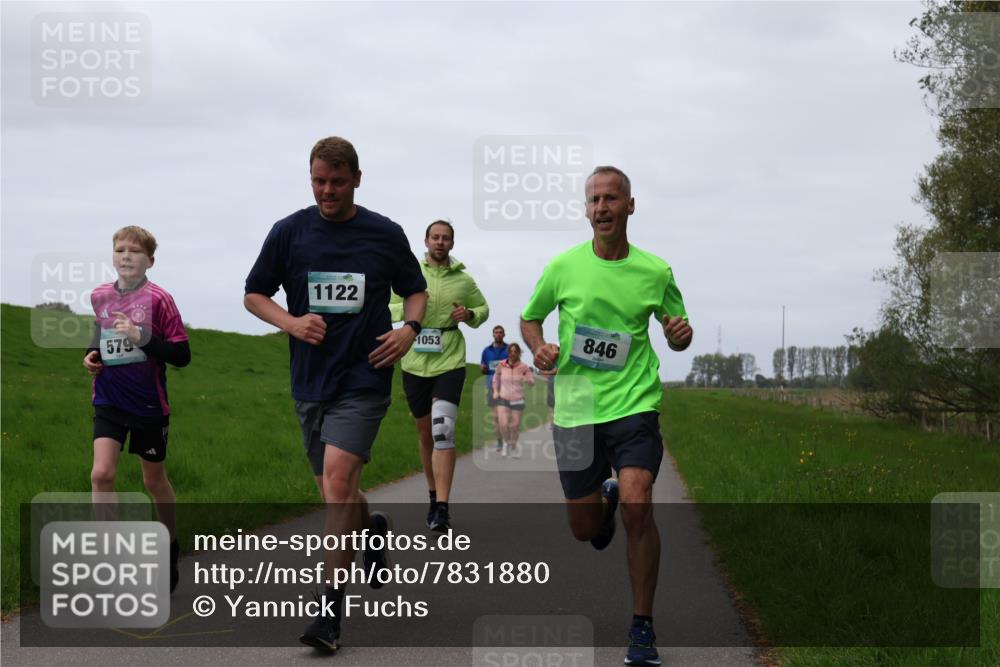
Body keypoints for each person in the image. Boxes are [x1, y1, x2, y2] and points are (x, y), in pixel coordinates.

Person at [244, 136, 428, 653]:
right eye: (319, 181)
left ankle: (328, 612)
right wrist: (291, 322)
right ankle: (371, 527)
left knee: (340, 481)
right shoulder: (290, 232)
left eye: (338, 182)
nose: (327, 191)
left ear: (357, 180)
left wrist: (409, 329)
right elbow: (254, 293)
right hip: (310, 381)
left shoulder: (384, 233)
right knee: (335, 494)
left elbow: (416, 289)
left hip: (365, 376)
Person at [520, 166, 693, 667]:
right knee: (584, 529)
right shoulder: (563, 267)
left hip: (635, 403)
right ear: (586, 209)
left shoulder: (656, 271)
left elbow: (678, 332)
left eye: (611, 198)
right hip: (577, 408)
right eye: (594, 199)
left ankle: (642, 626)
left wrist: (680, 336)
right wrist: (539, 347)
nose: (602, 207)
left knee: (640, 504)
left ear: (629, 206)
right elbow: (530, 317)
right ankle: (604, 503)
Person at [82, 225, 191, 593]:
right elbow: (99, 335)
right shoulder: (100, 296)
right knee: (101, 474)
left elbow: (182, 354)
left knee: (153, 481)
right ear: (113, 256)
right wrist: (91, 356)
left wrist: (141, 337)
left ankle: (170, 546)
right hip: (108, 399)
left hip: (148, 404)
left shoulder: (161, 300)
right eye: (120, 250)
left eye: (134, 251)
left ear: (150, 261)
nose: (126, 256)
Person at [389, 220, 489, 532]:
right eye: (435, 237)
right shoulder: (409, 273)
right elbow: (390, 305)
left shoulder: (464, 279)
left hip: (450, 359)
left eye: (446, 238)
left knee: (443, 430)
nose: (440, 242)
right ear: (426, 241)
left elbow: (483, 309)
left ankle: (443, 507)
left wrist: (469, 314)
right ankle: (433, 496)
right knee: (425, 435)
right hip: (414, 361)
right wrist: (409, 311)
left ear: (452, 243)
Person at [491, 343, 535, 458]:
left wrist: (527, 379)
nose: (513, 353)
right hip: (503, 398)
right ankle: (506, 443)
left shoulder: (524, 367)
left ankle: (513, 446)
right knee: (503, 424)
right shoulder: (501, 365)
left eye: (515, 351)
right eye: (511, 351)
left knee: (514, 426)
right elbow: (496, 379)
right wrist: (495, 391)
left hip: (518, 399)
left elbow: (531, 382)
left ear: (519, 353)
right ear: (508, 352)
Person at [480, 325, 509, 452]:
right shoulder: (486, 351)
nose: (498, 334)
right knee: (496, 417)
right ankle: (499, 442)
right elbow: (483, 367)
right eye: (496, 332)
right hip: (491, 387)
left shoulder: (509, 350)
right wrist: (482, 368)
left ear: (504, 334)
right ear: (493, 334)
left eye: (500, 332)